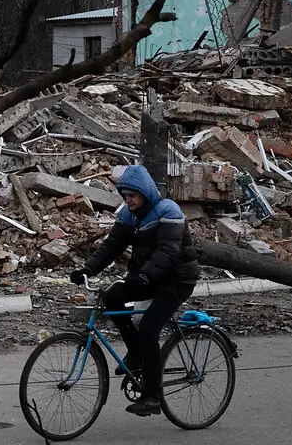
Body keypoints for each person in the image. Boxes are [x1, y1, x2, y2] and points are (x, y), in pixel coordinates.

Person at [69, 164, 199, 416]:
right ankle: (137, 353)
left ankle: (152, 396)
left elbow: (168, 252)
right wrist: (87, 269)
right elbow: (111, 247)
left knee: (149, 328)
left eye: (132, 196)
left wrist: (144, 276)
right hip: (148, 278)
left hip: (176, 280)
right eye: (125, 196)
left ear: (145, 193)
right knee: (112, 297)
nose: (128, 201)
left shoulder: (168, 211)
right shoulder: (129, 215)